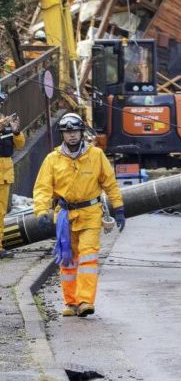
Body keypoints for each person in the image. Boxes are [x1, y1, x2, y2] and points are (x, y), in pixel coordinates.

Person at [33, 113, 125, 317]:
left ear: (81, 132)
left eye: (75, 131)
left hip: (91, 214)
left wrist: (118, 208)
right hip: (65, 216)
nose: (72, 136)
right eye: (67, 132)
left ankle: (85, 301)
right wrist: (41, 211)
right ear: (62, 135)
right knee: (68, 260)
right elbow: (42, 189)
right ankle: (71, 302)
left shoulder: (96, 155)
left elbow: (109, 183)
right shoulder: (52, 159)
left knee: (88, 256)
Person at [0, 113, 25, 258]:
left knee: (1, 212)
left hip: (4, 175)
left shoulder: (6, 123)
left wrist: (16, 131)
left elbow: (20, 145)